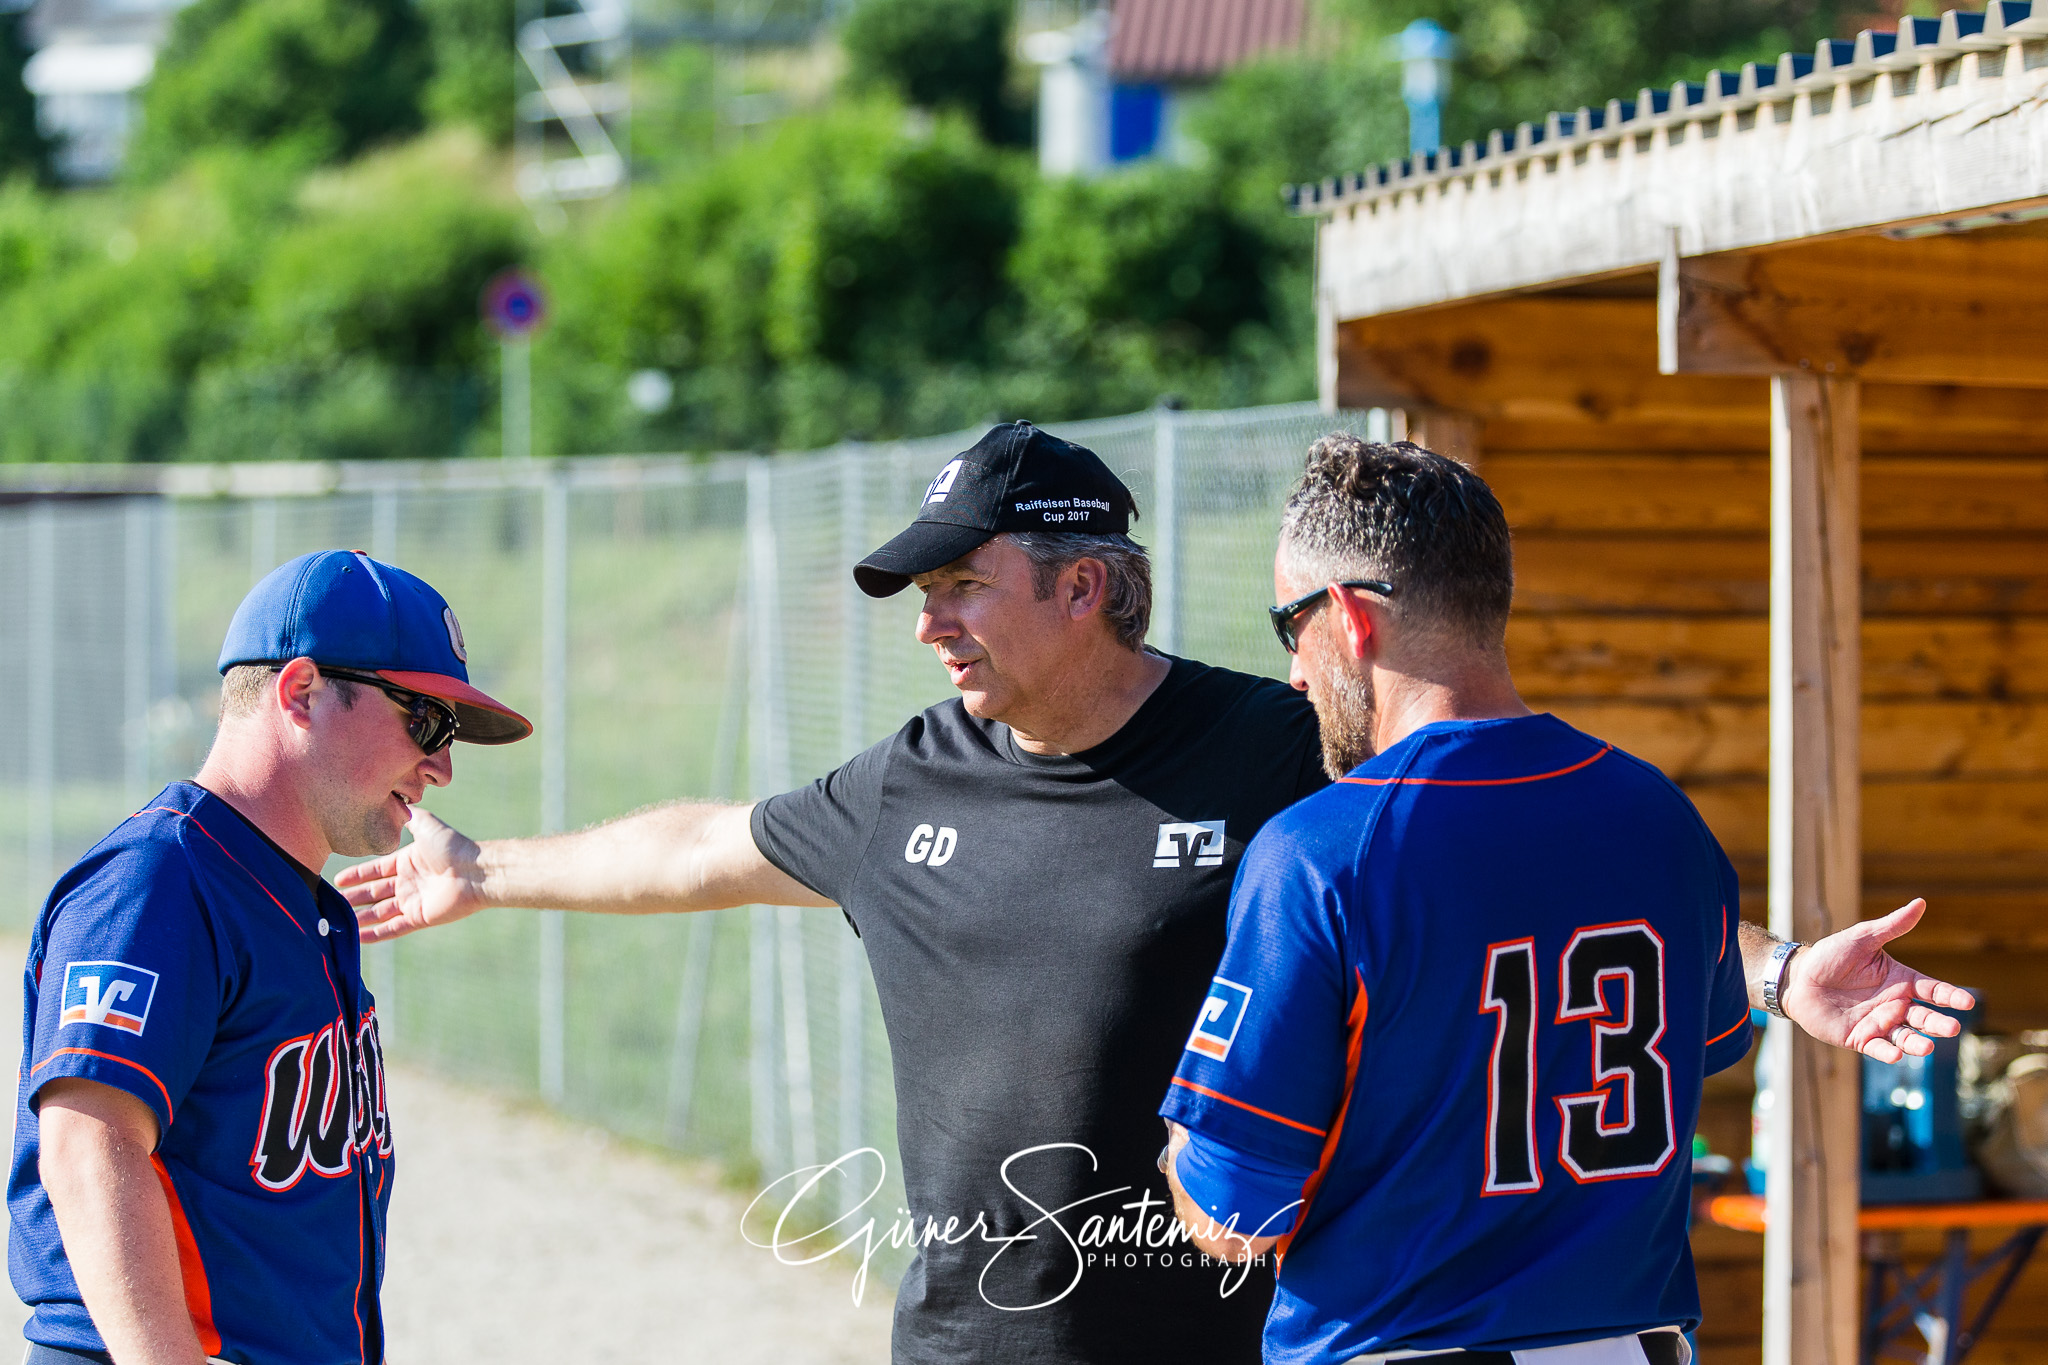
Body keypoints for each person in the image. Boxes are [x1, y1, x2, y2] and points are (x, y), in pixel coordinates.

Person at [341, 422, 1328, 1364]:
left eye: (962, 587)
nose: (926, 625)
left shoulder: (1277, 754)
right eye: (925, 590)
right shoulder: (913, 780)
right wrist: (480, 872)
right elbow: (702, 850)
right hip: (953, 1348)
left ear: (1079, 586)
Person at [1157, 437, 1975, 1365]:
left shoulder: (1321, 850)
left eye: (1287, 625)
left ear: (1348, 617)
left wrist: (1182, 1153)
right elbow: (1569, 946)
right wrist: (1782, 973)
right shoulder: (1652, 810)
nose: (1294, 673)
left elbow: (1239, 1210)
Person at [9, 551, 532, 1365]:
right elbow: (87, 1142)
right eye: (423, 719)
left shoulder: (303, 906)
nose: (443, 765)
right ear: (301, 693)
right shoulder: (161, 880)